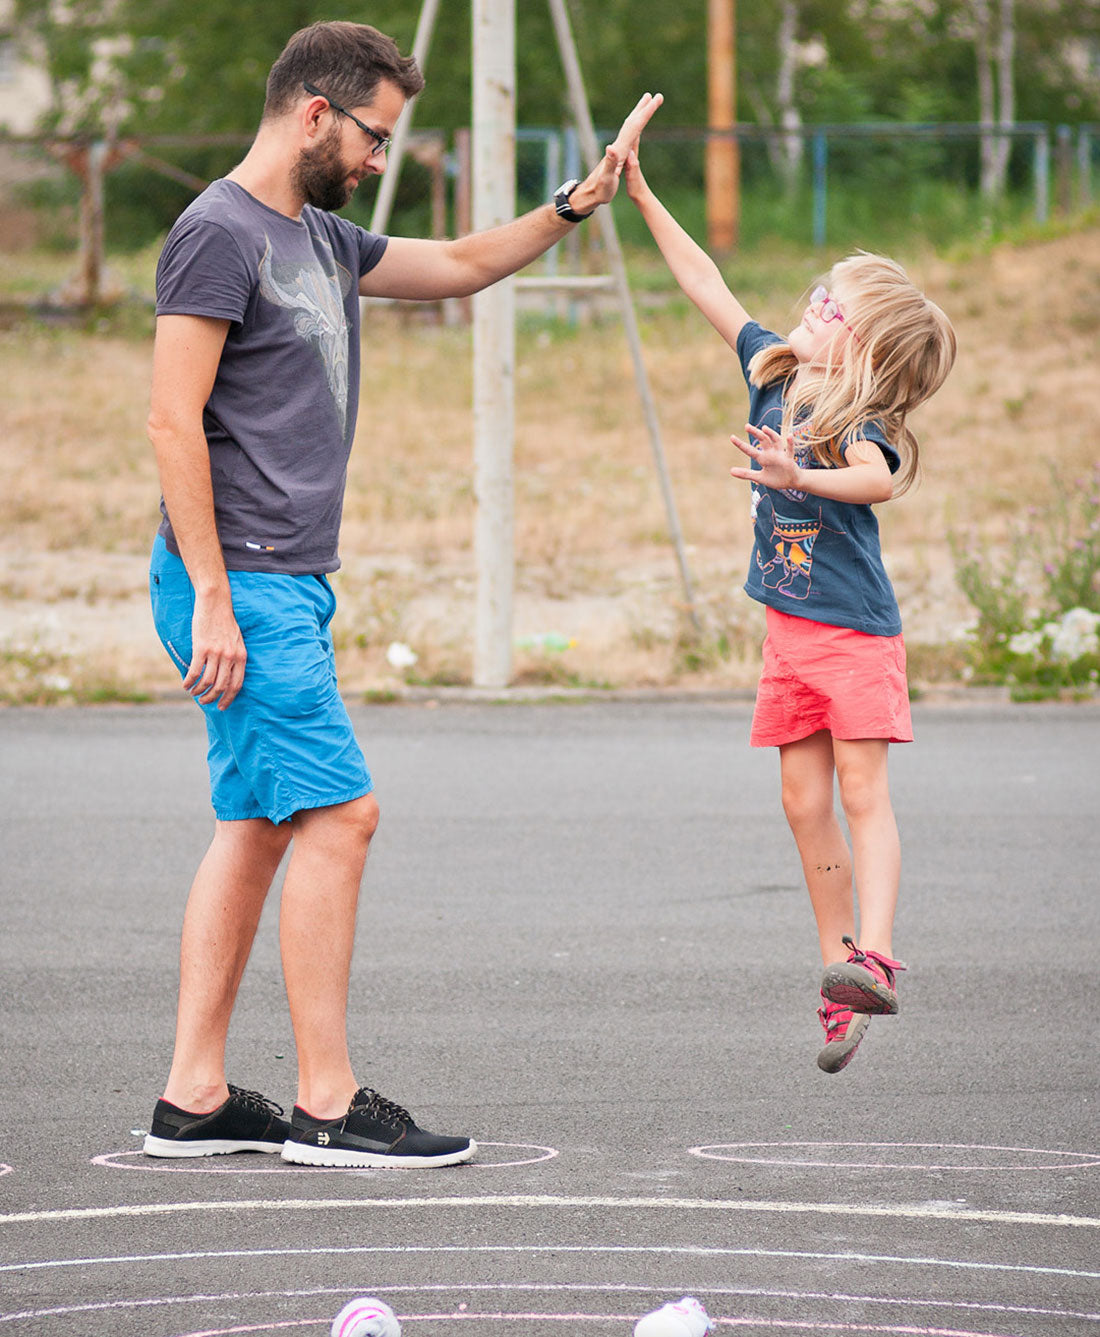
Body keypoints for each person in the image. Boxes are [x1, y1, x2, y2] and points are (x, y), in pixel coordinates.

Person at [142, 19, 664, 1167]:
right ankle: (327, 1104)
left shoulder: (321, 238)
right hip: (242, 583)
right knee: (342, 813)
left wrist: (574, 205)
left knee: (258, 825)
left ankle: (193, 1094)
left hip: (287, 582)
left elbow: (465, 265)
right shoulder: (216, 234)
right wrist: (218, 602)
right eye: (375, 134)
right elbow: (171, 419)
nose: (382, 158)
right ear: (315, 113)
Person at [623, 147, 955, 1074]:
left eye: (832, 307)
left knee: (859, 792)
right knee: (802, 801)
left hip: (854, 638)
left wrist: (795, 472)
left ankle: (878, 954)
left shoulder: (853, 420)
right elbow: (704, 279)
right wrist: (644, 189)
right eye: (818, 292)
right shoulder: (772, 374)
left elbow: (877, 482)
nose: (812, 306)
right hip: (790, 638)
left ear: (864, 350)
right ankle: (838, 973)